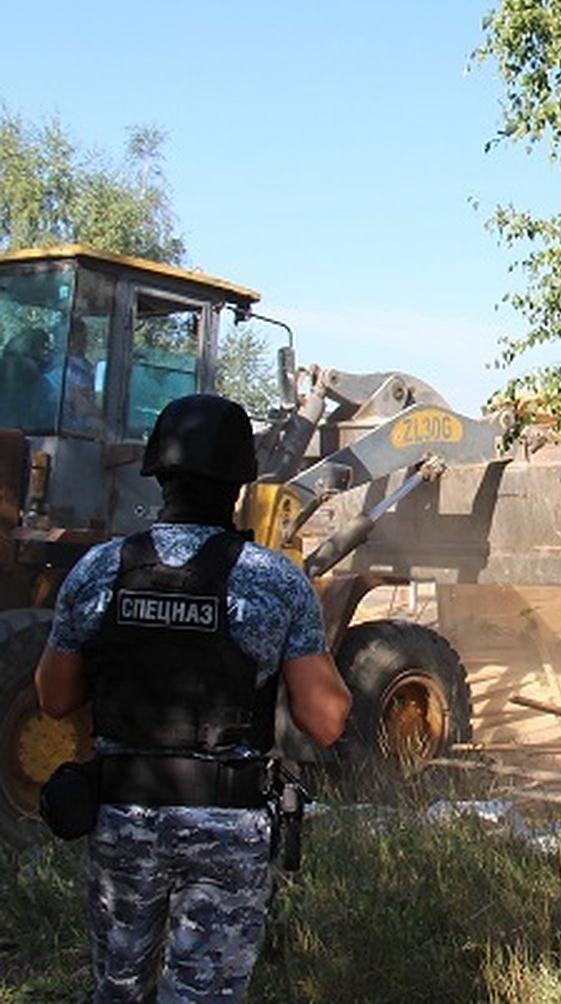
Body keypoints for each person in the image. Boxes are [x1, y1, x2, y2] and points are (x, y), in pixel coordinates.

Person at [35, 393, 351, 1004]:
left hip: (122, 816)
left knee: (117, 991)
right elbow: (328, 721)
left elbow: (53, 698)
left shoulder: (98, 570)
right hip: (226, 828)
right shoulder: (272, 579)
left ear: (157, 472)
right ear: (240, 482)